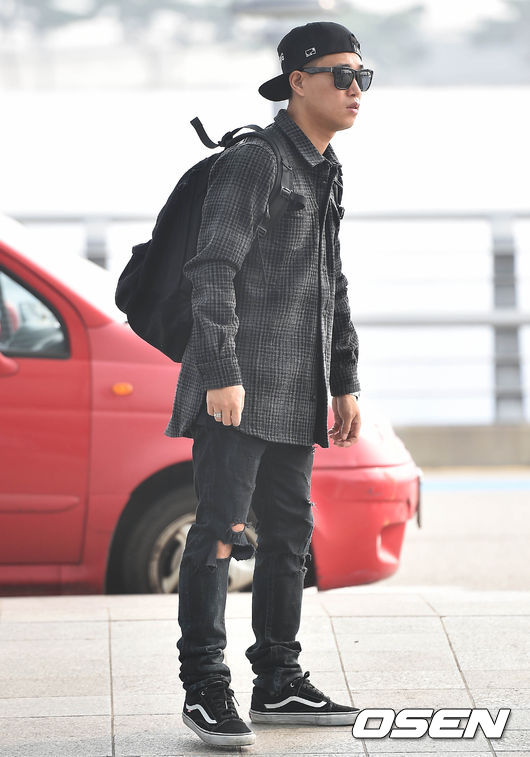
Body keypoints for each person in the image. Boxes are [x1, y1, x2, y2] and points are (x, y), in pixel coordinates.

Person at [163, 20, 371, 748]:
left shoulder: (325, 165)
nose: (355, 89)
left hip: (296, 389)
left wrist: (344, 378)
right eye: (342, 75)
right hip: (238, 389)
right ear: (298, 82)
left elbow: (331, 281)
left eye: (363, 77)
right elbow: (212, 268)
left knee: (289, 537)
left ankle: (278, 678)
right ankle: (204, 687)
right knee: (220, 533)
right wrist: (220, 372)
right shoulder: (255, 161)